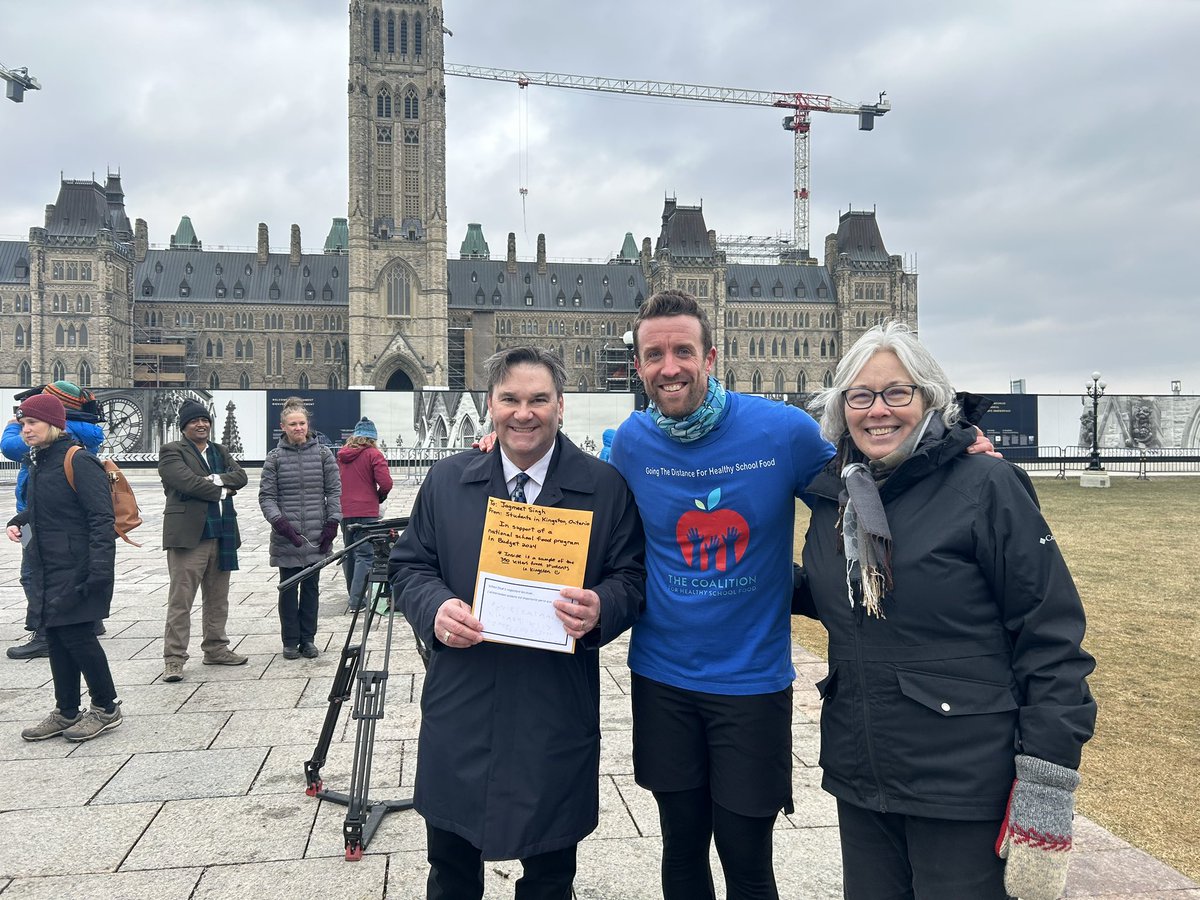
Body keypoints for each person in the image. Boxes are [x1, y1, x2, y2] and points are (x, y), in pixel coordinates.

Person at [797, 322, 1096, 900]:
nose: (877, 411)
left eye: (897, 393)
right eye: (860, 395)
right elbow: (845, 596)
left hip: (964, 783)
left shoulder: (985, 485)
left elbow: (1050, 633)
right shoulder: (840, 495)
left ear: (931, 397)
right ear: (840, 408)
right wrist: (739, 578)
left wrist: (1047, 782)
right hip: (865, 775)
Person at [389, 346, 644, 900]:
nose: (523, 413)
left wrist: (603, 606)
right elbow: (409, 566)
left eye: (538, 400)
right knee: (452, 871)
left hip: (552, 706)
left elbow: (632, 578)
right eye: (510, 399)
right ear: (490, 405)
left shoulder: (603, 487)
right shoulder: (448, 480)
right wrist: (434, 608)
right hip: (464, 700)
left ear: (560, 407)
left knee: (551, 876)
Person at [608, 289, 835, 900]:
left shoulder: (784, 432)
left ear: (711, 357)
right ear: (639, 368)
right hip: (663, 679)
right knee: (681, 850)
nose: (670, 367)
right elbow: (579, 498)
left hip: (751, 684)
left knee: (747, 861)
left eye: (684, 351)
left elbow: (863, 487)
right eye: (654, 355)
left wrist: (954, 452)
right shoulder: (631, 443)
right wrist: (502, 447)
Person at [6, 393, 122, 742]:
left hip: (80, 566)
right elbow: (49, 511)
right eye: (23, 424)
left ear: (54, 424)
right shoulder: (39, 461)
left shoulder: (78, 459)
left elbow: (101, 517)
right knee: (56, 637)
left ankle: (106, 707)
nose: (26, 430)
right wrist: (20, 519)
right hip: (49, 565)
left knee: (79, 636)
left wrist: (99, 569)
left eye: (33, 423)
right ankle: (67, 710)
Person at [3, 381, 106, 660]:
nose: (27, 426)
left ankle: (43, 633)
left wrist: (13, 424)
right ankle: (91, 620)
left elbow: (9, 448)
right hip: (40, 512)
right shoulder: (86, 430)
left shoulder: (60, 431)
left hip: (38, 513)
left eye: (32, 420)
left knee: (31, 573)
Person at [157, 400, 250, 682]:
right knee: (181, 599)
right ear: (184, 426)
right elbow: (186, 482)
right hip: (189, 535)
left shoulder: (220, 451)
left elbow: (242, 477)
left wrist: (212, 478)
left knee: (218, 598)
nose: (201, 424)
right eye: (195, 421)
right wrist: (222, 489)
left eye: (205, 420)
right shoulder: (171, 451)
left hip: (221, 532)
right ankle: (174, 658)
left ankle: (215, 648)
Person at [258, 397, 341, 659]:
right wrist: (279, 522)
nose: (298, 428)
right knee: (288, 587)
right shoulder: (274, 458)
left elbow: (334, 491)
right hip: (288, 536)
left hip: (317, 534)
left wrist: (333, 522)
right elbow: (266, 496)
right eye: (292, 424)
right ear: (283, 426)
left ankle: (308, 639)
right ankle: (290, 641)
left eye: (302, 423)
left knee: (311, 588)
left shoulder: (323, 454)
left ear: (308, 425)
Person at [336, 416, 393, 611]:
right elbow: (386, 483)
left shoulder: (342, 455)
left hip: (344, 510)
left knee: (350, 551)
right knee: (365, 555)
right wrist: (379, 497)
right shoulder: (373, 454)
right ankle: (357, 600)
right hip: (366, 511)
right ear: (372, 438)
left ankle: (352, 594)